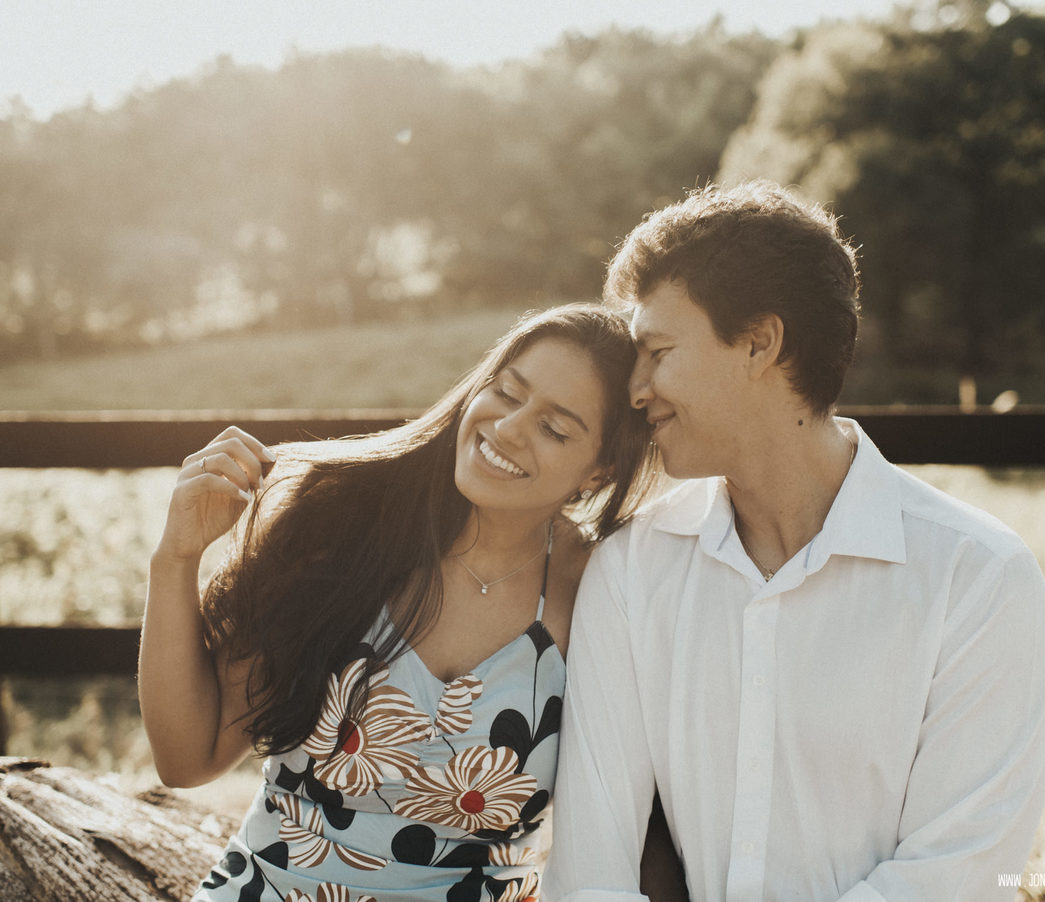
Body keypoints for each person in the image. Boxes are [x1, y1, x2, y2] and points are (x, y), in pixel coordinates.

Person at [544, 182, 1045, 901]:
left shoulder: (977, 578)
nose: (634, 389)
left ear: (760, 343)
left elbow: (955, 875)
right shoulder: (633, 568)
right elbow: (590, 874)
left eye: (658, 351)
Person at [138, 304, 660, 901]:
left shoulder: (603, 589)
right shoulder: (336, 525)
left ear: (600, 470)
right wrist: (174, 561)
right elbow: (187, 758)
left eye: (555, 428)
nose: (509, 428)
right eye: (507, 392)